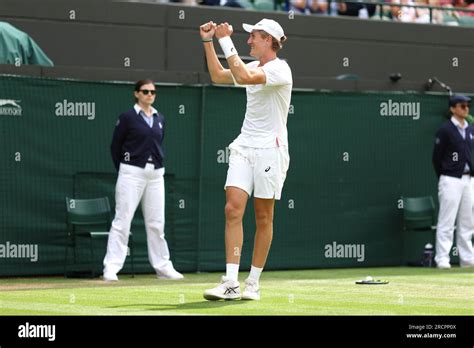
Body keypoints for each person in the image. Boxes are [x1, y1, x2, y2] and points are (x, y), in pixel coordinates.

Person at [199, 19, 292, 300]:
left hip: (270, 150)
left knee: (263, 217)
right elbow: (218, 75)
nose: (249, 41)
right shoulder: (250, 66)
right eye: (249, 37)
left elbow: (247, 77)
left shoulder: (280, 69)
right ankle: (230, 282)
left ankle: (252, 282)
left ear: (269, 40)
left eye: (254, 37)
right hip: (244, 146)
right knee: (232, 209)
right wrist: (208, 41)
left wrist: (226, 40)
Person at [102, 79, 183, 281]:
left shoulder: (160, 118)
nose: (149, 95)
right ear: (136, 94)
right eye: (145, 91)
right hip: (131, 172)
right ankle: (111, 268)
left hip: (155, 174)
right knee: (122, 220)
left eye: (153, 92)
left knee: (157, 223)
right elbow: (115, 146)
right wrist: (125, 168)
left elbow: (158, 142)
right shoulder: (128, 117)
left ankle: (163, 267)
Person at [432, 94, 474, 269]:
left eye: (467, 106)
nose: (466, 108)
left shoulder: (471, 130)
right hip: (450, 179)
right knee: (447, 221)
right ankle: (442, 258)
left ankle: (467, 259)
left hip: (469, 180)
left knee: (468, 222)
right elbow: (436, 157)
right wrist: (445, 176)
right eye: (462, 105)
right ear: (452, 108)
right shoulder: (445, 129)